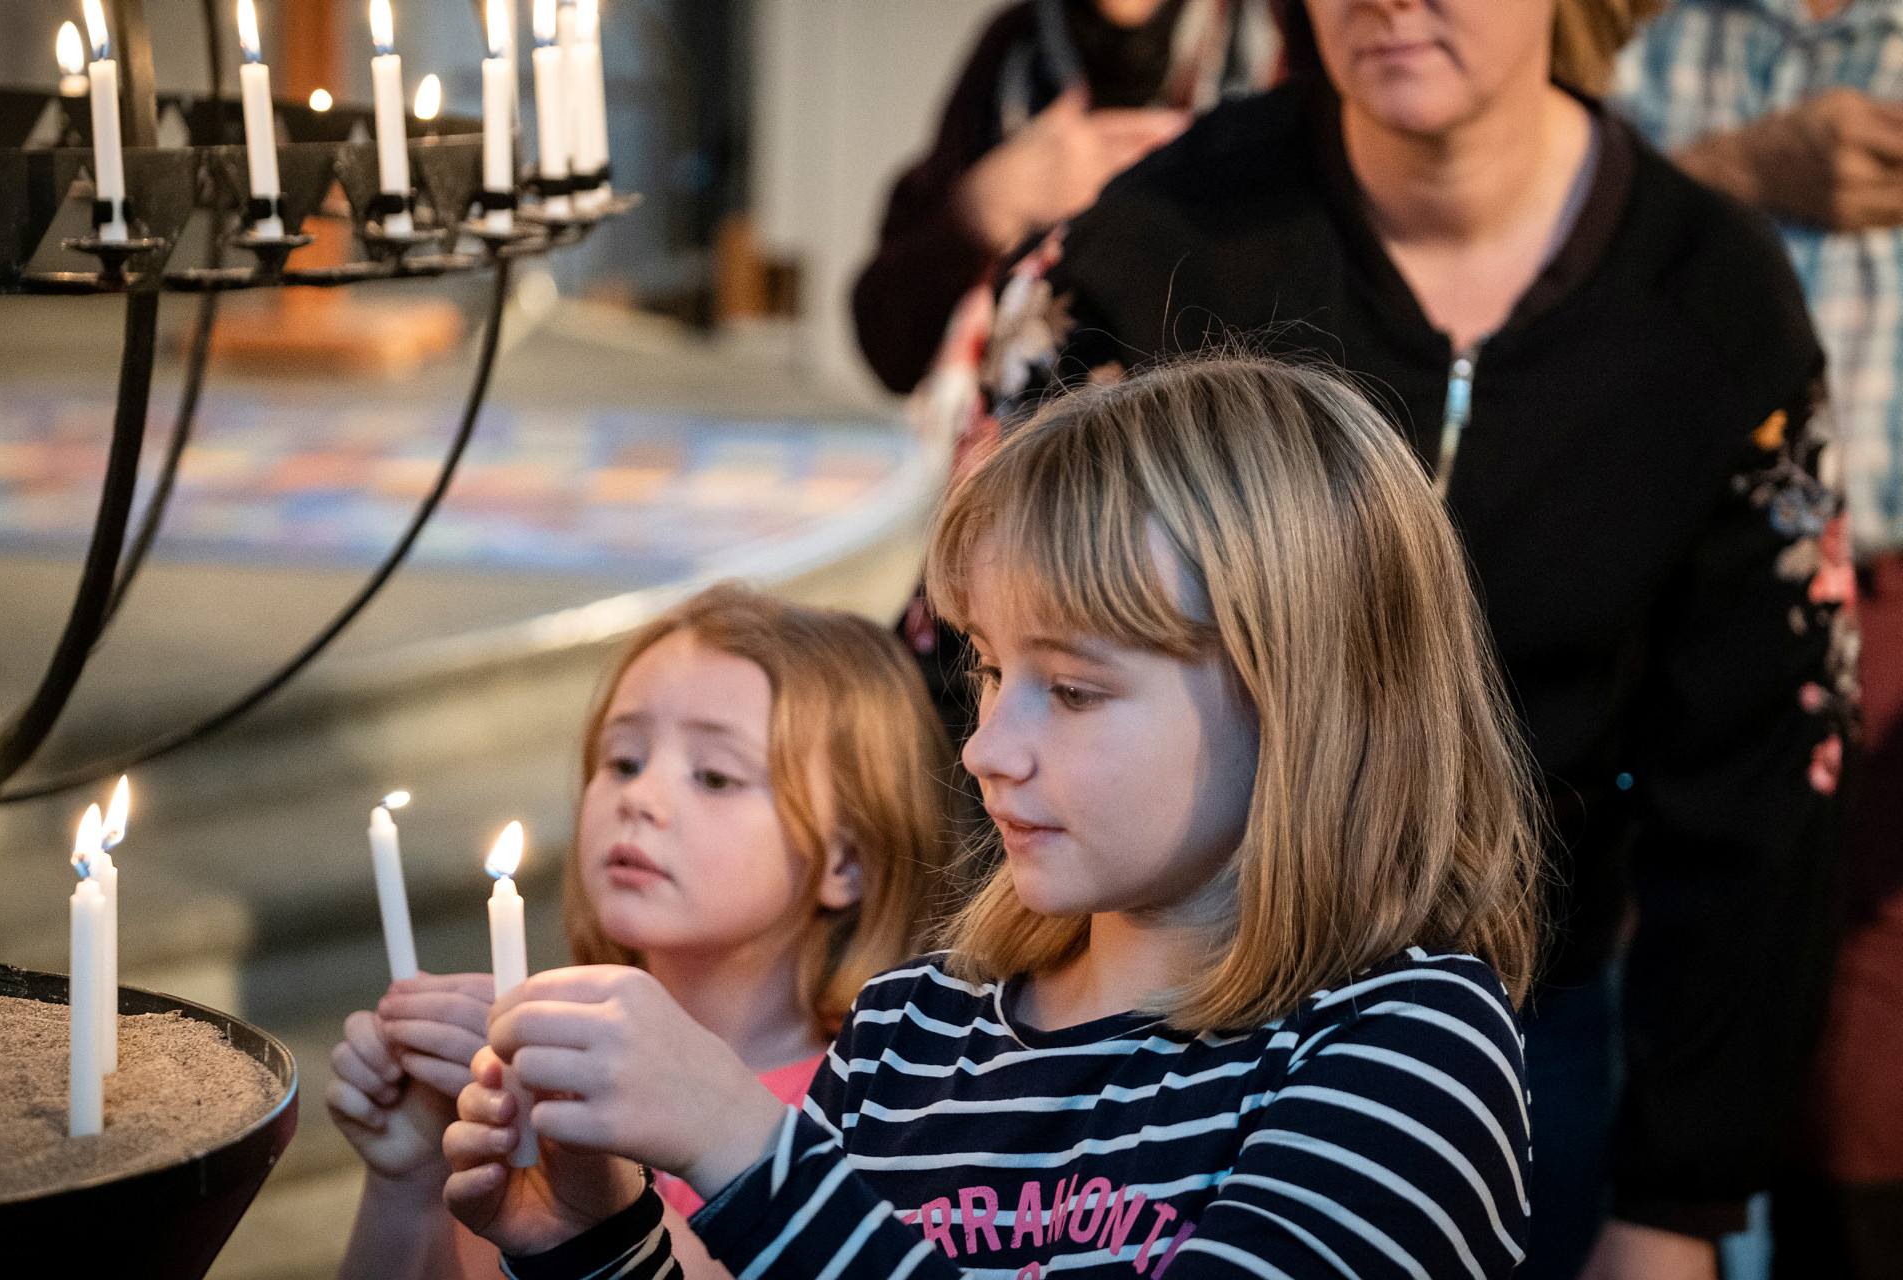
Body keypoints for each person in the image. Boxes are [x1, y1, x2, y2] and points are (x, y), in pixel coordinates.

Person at [961, 3, 1858, 1278]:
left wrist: (1680, 1199)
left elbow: (1769, 776)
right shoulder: (1147, 242)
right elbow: (985, 648)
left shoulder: (1713, 297)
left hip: (1534, 1017)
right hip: (1140, 1006)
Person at [440, 356, 1544, 1280]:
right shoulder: (910, 1034)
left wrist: (742, 1144)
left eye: (1071, 689)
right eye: (987, 666)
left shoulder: (1406, 1044)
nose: (984, 748)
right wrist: (600, 1239)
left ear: (1304, 698)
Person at [324, 584, 952, 1279]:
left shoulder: (882, 1106)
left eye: (714, 776)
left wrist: (602, 1201)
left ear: (847, 859)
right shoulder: (529, 1083)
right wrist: (407, 1178)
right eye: (622, 761)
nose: (641, 798)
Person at [1615, 6, 1903, 1272]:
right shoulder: (1648, 44)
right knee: (1690, 1011)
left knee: (1856, 1075)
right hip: (1679, 602)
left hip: (1894, 607)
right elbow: (1549, 254)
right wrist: (1741, 170)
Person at [851, 0, 1281, 397]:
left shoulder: (1276, 47)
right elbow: (889, 346)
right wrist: (988, 204)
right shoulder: (1014, 55)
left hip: (1230, 456)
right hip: (1035, 460)